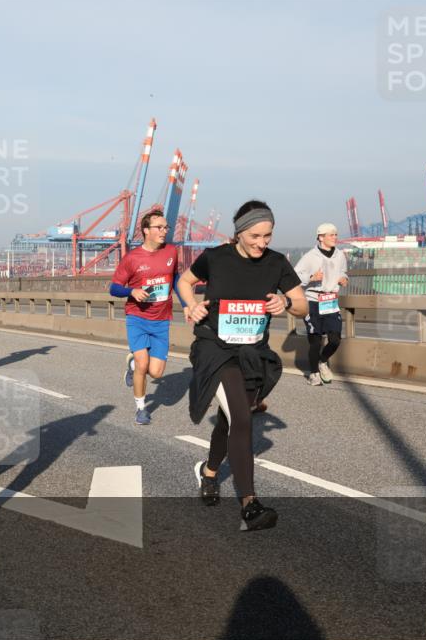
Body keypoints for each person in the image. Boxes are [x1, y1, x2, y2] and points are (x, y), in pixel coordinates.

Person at [177, 200, 307, 532]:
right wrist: (191, 306)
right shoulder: (216, 257)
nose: (262, 243)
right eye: (255, 235)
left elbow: (303, 305)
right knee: (242, 417)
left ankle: (208, 471)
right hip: (215, 348)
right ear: (239, 232)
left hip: (252, 353)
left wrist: (287, 302)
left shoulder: (276, 263)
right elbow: (184, 282)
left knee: (230, 419)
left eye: (268, 235)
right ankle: (250, 505)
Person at [108, 209, 182, 425]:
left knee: (156, 373)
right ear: (146, 231)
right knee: (143, 365)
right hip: (137, 318)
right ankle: (141, 409)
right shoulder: (132, 258)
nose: (164, 231)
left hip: (161, 320)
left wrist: (187, 304)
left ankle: (131, 364)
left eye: (166, 227)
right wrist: (131, 292)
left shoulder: (171, 252)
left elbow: (176, 278)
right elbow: (114, 288)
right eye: (159, 227)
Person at [294, 223, 348, 385]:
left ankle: (323, 361)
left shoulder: (340, 255)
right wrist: (311, 277)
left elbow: (343, 272)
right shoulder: (310, 256)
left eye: (335, 235)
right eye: (331, 235)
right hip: (313, 301)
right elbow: (295, 276)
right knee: (316, 340)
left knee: (335, 339)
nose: (335, 237)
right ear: (321, 237)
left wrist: (344, 278)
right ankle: (314, 373)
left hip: (330, 300)